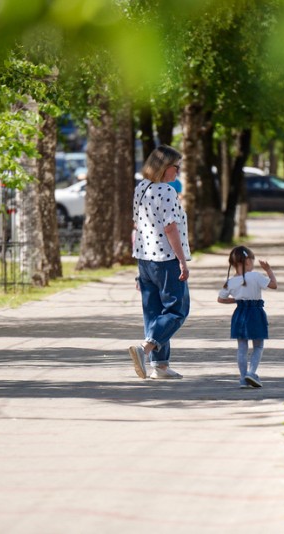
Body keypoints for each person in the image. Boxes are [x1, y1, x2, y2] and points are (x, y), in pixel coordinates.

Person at [128, 145, 191, 380]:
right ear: (165, 168)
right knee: (177, 310)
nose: (178, 171)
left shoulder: (141, 188)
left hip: (145, 258)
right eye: (177, 166)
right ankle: (144, 349)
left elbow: (137, 223)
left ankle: (160, 366)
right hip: (166, 259)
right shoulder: (167, 191)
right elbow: (170, 228)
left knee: (154, 313)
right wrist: (182, 262)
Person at [217, 246, 278, 388]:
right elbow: (274, 285)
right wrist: (268, 270)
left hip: (240, 314)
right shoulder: (256, 276)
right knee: (258, 346)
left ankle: (243, 379)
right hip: (256, 313)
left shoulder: (230, 282)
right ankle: (251, 372)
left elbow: (220, 299)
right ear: (248, 261)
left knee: (242, 348)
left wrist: (235, 300)